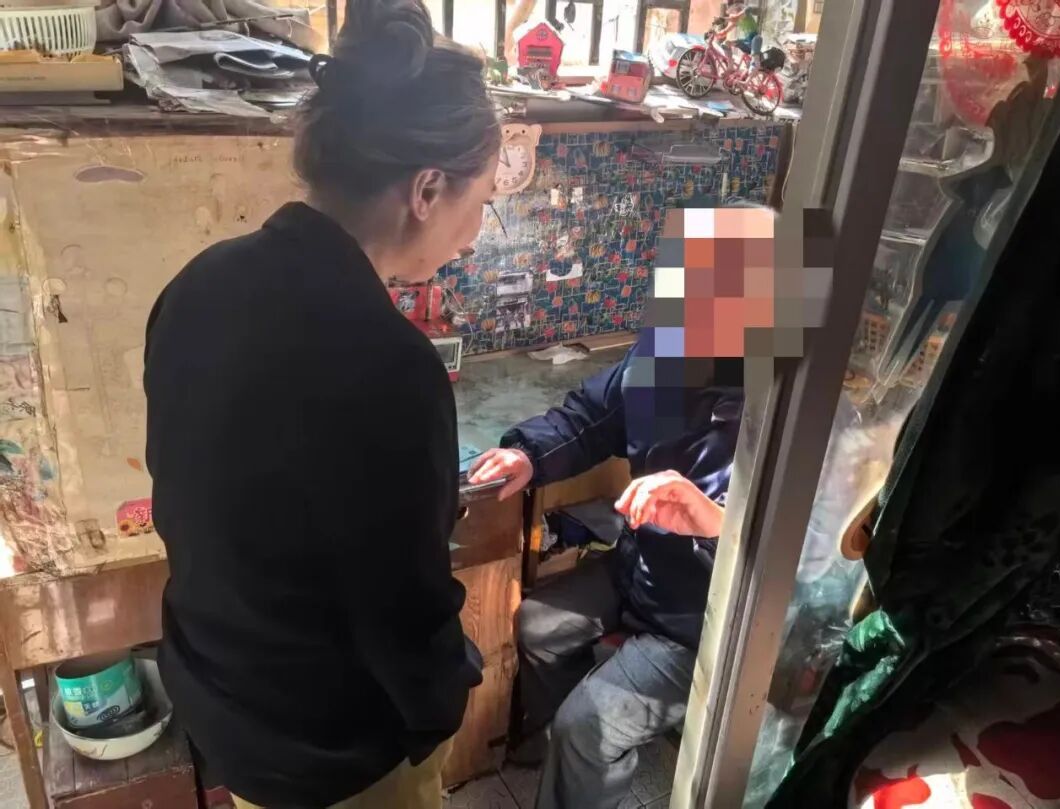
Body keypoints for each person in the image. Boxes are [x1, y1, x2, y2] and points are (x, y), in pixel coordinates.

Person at [142, 1, 501, 807]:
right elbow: (403, 609)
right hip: (335, 752)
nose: (476, 233)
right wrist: (444, 705)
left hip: (233, 714)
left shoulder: (198, 285)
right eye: (481, 202)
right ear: (427, 188)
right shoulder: (391, 365)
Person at [469, 336, 744, 809]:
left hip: (707, 622)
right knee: (538, 626)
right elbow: (592, 418)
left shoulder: (789, 406)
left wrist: (719, 527)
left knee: (587, 727)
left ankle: (581, 745)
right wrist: (530, 455)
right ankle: (564, 752)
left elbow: (807, 564)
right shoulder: (666, 351)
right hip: (641, 566)